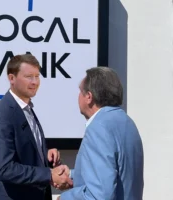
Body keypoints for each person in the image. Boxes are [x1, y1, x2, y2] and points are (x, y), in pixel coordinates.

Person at [0, 54, 72, 200]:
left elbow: (23, 149)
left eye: (37, 76)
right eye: (29, 77)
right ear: (11, 78)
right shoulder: (2, 115)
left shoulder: (26, 109)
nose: (35, 82)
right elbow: (5, 169)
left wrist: (44, 154)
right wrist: (49, 175)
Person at [57, 67, 144, 200]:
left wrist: (63, 199)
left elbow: (98, 195)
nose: (78, 96)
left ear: (89, 97)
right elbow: (115, 173)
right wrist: (72, 175)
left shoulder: (99, 127)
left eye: (80, 91)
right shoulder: (127, 122)